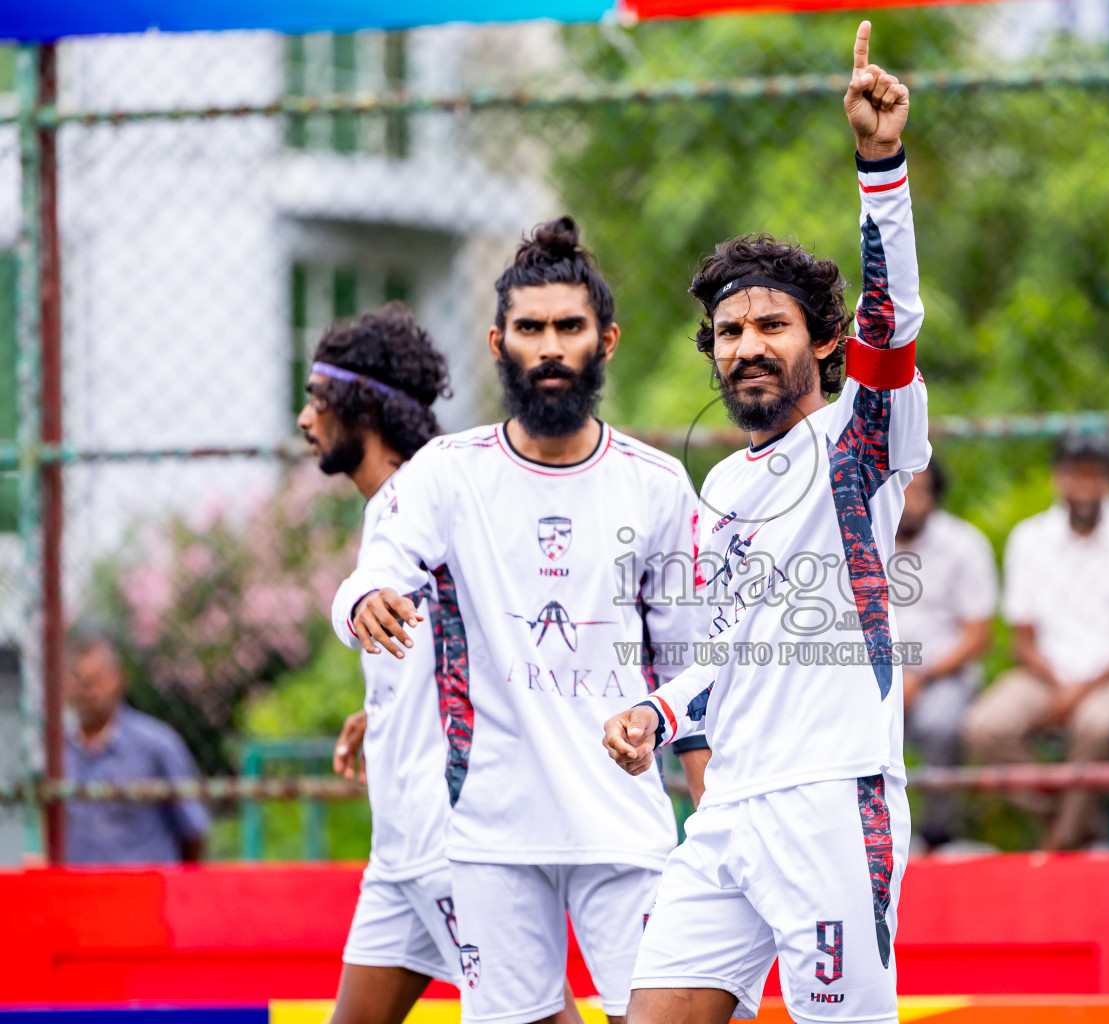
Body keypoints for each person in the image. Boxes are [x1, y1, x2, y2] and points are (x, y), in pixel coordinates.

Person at [602, 23, 921, 1024]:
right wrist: (658, 711)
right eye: (731, 331)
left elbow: (893, 322)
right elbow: (732, 659)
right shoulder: (721, 493)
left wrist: (881, 170)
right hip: (728, 811)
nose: (748, 345)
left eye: (771, 325)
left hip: (831, 802)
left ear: (821, 342)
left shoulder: (858, 443)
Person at [333, 221, 709, 1024]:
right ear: (498, 340)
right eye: (530, 329)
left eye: (568, 328)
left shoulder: (658, 484)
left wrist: (711, 815)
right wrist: (366, 603)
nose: (549, 347)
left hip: (622, 826)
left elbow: (692, 668)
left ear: (604, 340)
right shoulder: (447, 474)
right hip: (492, 835)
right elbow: (376, 573)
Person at [297, 304, 476, 1024]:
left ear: (359, 406)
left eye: (316, 399)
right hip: (399, 847)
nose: (305, 419)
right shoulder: (392, 507)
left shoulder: (422, 497)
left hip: (448, 839)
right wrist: (381, 709)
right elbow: (448, 645)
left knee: (522, 1010)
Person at [965, 431, 1109, 851]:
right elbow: (1022, 640)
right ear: (1057, 479)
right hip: (1047, 672)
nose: (1082, 485)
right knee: (984, 727)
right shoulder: (1030, 539)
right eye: (1073, 474)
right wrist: (1061, 685)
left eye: (1093, 474)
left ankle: (1060, 843)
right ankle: (1078, 823)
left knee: (1096, 725)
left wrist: (1080, 691)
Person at [892, 458, 997, 850]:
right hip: (875, 674)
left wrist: (920, 677)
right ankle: (873, 833)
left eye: (920, 490)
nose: (911, 500)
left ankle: (938, 834)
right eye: (903, 488)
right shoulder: (864, 539)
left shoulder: (964, 544)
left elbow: (977, 635)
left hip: (944, 674)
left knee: (939, 724)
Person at [63, 632, 210, 865]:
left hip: (145, 892)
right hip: (77, 893)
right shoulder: (55, 752)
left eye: (97, 679)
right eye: (79, 680)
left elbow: (192, 829)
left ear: (119, 679)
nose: (87, 690)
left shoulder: (157, 745)